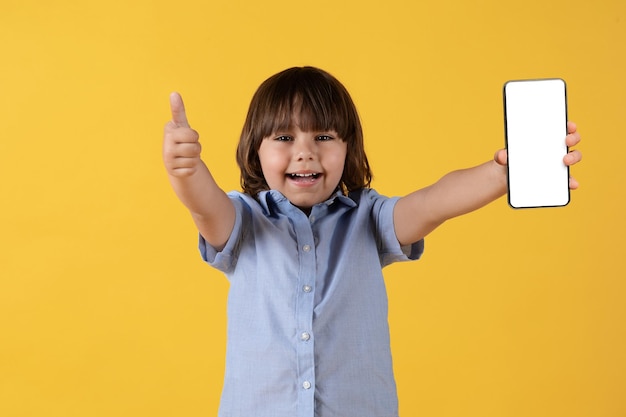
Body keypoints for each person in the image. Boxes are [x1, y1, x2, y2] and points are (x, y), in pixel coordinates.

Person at [162, 66, 581, 417]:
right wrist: (187, 171)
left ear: (348, 148)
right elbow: (206, 207)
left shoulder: (369, 218)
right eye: (284, 138)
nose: (305, 152)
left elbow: (433, 202)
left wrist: (502, 174)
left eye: (323, 137)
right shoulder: (244, 221)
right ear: (255, 150)